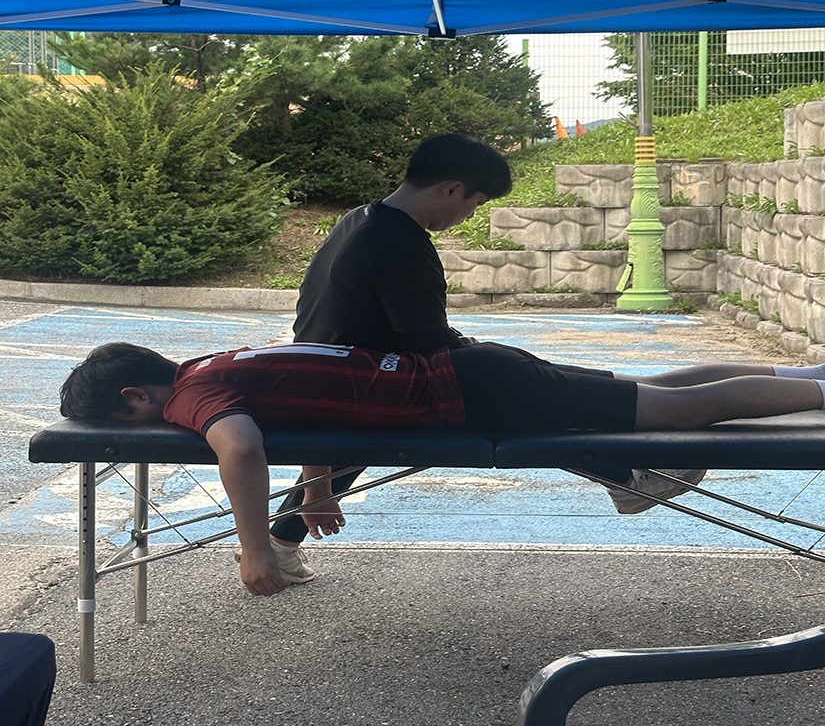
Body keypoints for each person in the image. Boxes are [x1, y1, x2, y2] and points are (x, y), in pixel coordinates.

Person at [60, 339, 825, 597]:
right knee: (656, 392)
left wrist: (256, 547)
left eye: (128, 422)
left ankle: (817, 388)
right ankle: (807, 375)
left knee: (679, 409)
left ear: (136, 395)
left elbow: (241, 445)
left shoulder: (190, 395)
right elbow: (316, 408)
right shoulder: (216, 362)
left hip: (479, 391)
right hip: (477, 371)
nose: (155, 426)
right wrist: (317, 486)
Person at [264, 133, 514, 583]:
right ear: (452, 189)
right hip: (360, 389)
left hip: (325, 376)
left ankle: (279, 546)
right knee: (521, 395)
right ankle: (623, 471)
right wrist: (482, 357)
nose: (470, 215)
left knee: (356, 435)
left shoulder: (359, 219)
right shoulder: (401, 243)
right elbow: (428, 341)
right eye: (475, 204)